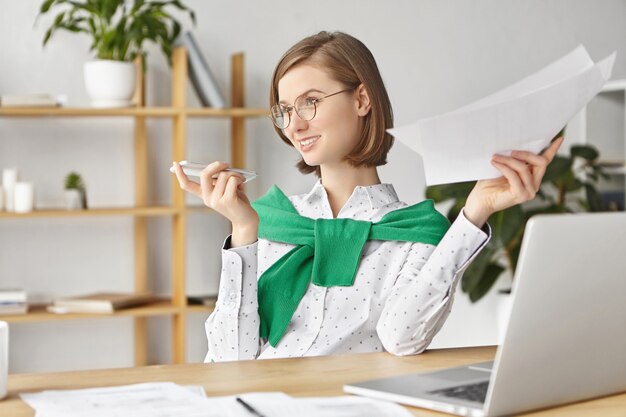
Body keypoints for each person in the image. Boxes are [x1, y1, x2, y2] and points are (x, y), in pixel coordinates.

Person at [172, 31, 563, 362]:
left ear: (361, 100)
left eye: (310, 101)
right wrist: (242, 232)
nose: (295, 124)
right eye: (285, 109)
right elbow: (227, 360)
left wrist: (474, 213)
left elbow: (402, 338)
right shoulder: (271, 219)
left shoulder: (416, 229)